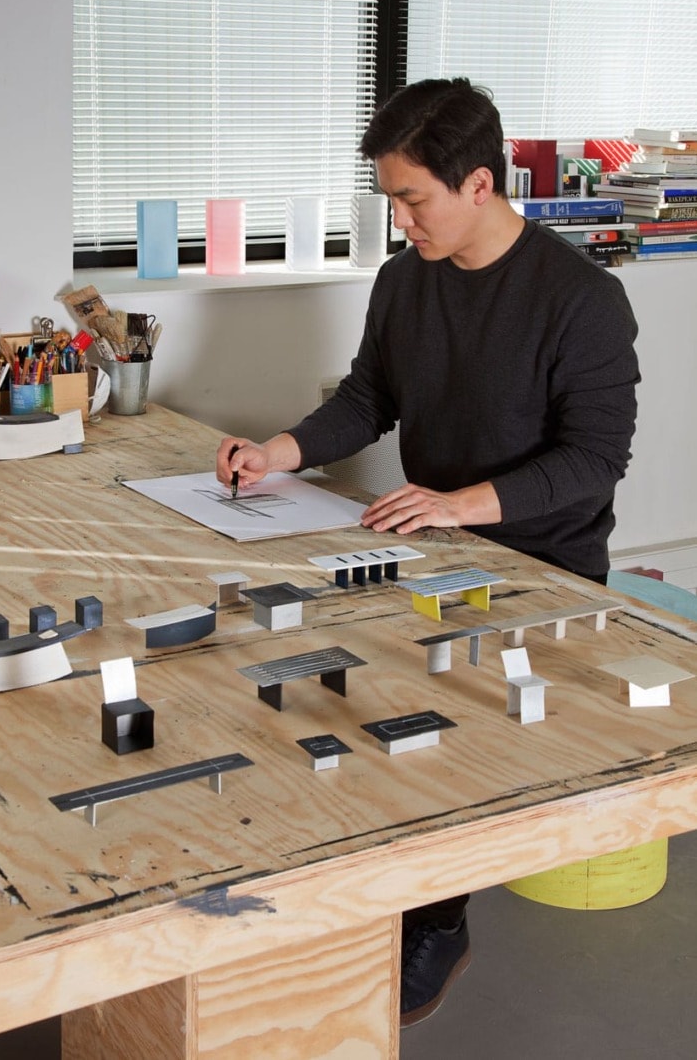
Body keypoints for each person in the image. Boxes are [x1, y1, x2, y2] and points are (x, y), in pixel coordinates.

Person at [215, 77, 640, 1027]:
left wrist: (462, 504)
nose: (402, 220)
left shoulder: (583, 297)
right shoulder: (404, 280)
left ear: (479, 183)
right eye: (392, 199)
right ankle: (354, 892)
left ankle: (437, 919)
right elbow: (369, 400)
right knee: (329, 690)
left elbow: (595, 457)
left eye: (413, 198)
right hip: (429, 544)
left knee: (438, 729)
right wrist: (277, 451)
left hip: (541, 563)